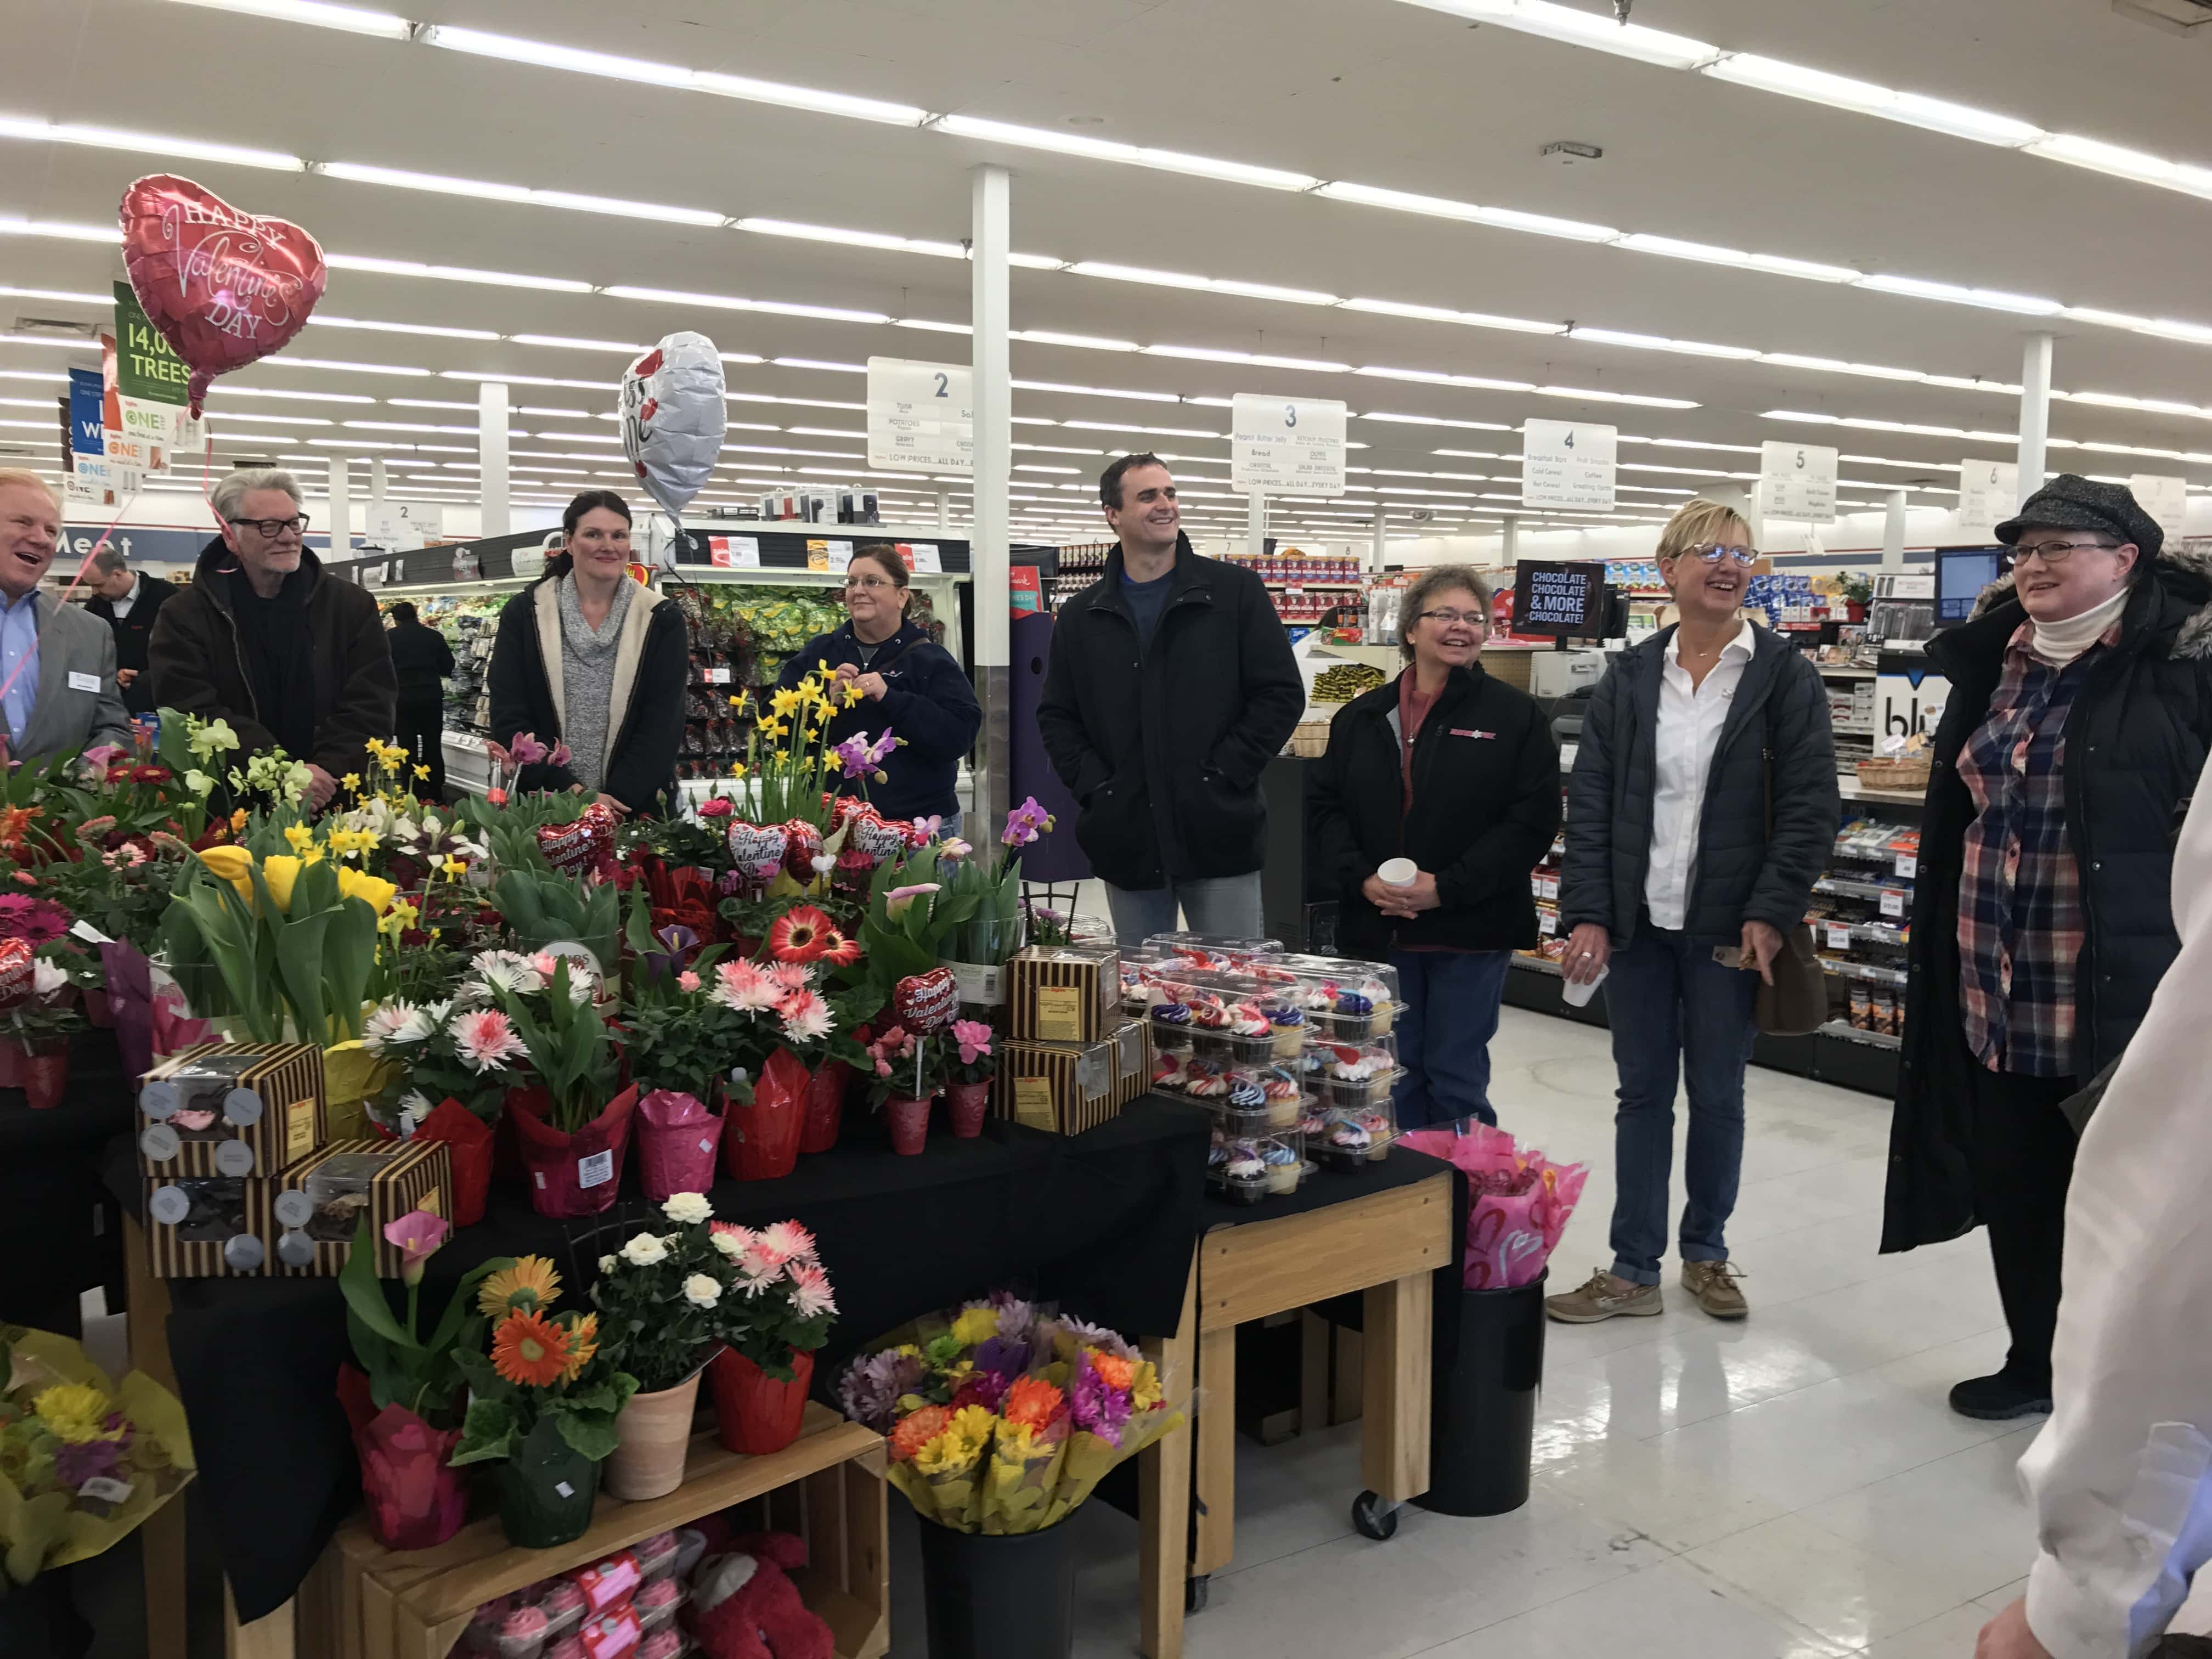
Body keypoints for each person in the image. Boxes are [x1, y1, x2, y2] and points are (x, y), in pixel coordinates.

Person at [1883, 475, 2212, 1424]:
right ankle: (2035, 1359)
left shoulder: (2186, 661)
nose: (2032, 564)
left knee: (2129, 1205)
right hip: (1994, 984)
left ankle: (2126, 1389)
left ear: (2125, 559)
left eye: (2057, 546)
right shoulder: (1996, 660)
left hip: (2126, 988)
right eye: (2022, 549)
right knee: (2019, 1183)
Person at [1547, 498, 1837, 1325]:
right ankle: (1633, 1268)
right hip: (1639, 926)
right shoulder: (1633, 675)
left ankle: (1706, 1254)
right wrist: (1589, 911)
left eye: (1743, 552)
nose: (1729, 563)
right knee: (1642, 1096)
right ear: (1668, 569)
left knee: (1717, 1095)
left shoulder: (1784, 675)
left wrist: (1772, 909)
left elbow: (1811, 805)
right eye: (1709, 549)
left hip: (1728, 929)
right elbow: (1593, 800)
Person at [1973, 771, 2212, 1659]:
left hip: (2109, 998)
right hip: (2008, 999)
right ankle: (2025, 1355)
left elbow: (2180, 1233)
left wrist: (2084, 1598)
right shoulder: (1993, 698)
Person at [1308, 565, 1559, 1128]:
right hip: (1379, 929)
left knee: (1455, 1072)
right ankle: (1400, 1177)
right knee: (1388, 1069)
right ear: (1411, 629)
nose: (1461, 627)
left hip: (1470, 928)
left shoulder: (1514, 716)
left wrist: (1447, 888)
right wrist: (1361, 877)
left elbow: (1533, 821)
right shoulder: (1361, 716)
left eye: (1474, 618)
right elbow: (1325, 809)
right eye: (1445, 614)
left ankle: (1462, 1182)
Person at [1036, 453, 1304, 944]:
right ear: (1113, 514)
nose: (1165, 505)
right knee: (1142, 982)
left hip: (1218, 828)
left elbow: (1280, 694)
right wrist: (1099, 787)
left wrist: (1225, 771)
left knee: (1234, 978)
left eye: (1170, 493)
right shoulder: (1082, 614)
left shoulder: (1233, 593)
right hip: (1127, 834)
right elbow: (1058, 714)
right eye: (1147, 496)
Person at [147, 468, 395, 810]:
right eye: (269, 526)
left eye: (294, 523)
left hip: (334, 797)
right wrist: (279, 772)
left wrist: (326, 770)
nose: (288, 537)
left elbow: (372, 702)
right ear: (230, 535)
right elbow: (189, 709)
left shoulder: (350, 606)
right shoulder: (185, 615)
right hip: (232, 806)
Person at [485, 489, 687, 817]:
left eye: (619, 535)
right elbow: (509, 714)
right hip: (544, 805)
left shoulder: (660, 618)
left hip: (634, 807)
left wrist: (614, 802)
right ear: (569, 541)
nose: (608, 545)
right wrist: (574, 795)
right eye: (593, 534)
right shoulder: (526, 613)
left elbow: (663, 724)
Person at [776, 544, 979, 829]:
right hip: (832, 825)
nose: (858, 590)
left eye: (872, 581)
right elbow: (777, 730)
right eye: (852, 582)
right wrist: (825, 702)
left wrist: (890, 698)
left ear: (901, 595)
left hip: (916, 827)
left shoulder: (930, 659)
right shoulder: (819, 654)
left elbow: (959, 737)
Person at [0, 471, 132, 762]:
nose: (41, 539)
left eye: (51, 531)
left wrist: (85, 776)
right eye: (23, 522)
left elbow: (113, 728)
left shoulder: (91, 632)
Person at [83, 546, 177, 716]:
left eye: (98, 585)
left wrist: (146, 678)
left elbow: (182, 651)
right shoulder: (94, 606)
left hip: (160, 702)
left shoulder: (167, 596)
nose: (94, 592)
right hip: (111, 703)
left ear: (117, 574)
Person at [384, 601, 454, 803]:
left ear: (396, 620)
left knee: (407, 746)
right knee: (433, 744)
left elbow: (382, 670)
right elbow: (448, 666)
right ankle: (435, 790)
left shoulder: (388, 638)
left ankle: (412, 790)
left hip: (402, 700)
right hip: (431, 698)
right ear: (415, 616)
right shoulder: (434, 636)